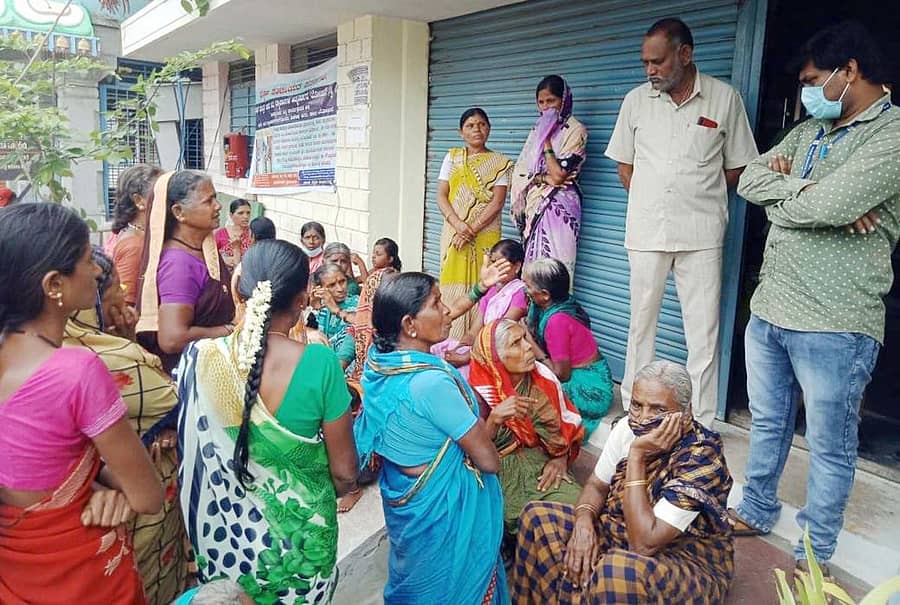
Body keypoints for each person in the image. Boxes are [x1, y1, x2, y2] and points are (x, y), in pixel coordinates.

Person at [731, 21, 900, 571]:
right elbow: (749, 181)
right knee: (769, 422)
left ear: (849, 71)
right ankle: (756, 509)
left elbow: (831, 207)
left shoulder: (891, 135)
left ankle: (814, 545)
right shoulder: (811, 132)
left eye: (812, 80)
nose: (805, 92)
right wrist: (807, 192)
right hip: (771, 306)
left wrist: (809, 200)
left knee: (829, 443)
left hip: (837, 319)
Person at [176, 239, 358, 604]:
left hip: (223, 545)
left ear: (239, 288)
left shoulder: (200, 355)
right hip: (302, 549)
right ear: (303, 299)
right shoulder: (320, 364)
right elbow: (345, 473)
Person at [0, 203, 163, 604]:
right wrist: (110, 483)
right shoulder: (76, 370)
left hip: (17, 575)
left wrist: (94, 481)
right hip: (80, 575)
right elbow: (148, 497)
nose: (96, 271)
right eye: (88, 260)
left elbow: (34, 461)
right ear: (53, 284)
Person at [605, 18, 759, 428]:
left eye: (657, 61)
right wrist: (652, 200)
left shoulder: (725, 99)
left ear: (685, 54)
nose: (650, 71)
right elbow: (625, 166)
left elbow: (738, 166)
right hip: (647, 231)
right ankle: (635, 412)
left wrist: (698, 196)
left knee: (703, 333)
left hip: (702, 233)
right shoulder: (636, 101)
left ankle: (702, 422)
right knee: (641, 325)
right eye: (645, 63)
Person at [511, 361, 734, 604]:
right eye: (637, 405)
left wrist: (637, 455)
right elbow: (596, 486)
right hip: (619, 532)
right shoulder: (628, 427)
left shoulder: (701, 457)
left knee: (617, 571)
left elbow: (644, 545)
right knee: (537, 518)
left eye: (658, 410)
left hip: (682, 557)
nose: (643, 417)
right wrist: (583, 524)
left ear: (686, 412)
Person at [354, 272, 508, 604]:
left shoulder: (380, 363)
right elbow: (487, 460)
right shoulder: (430, 384)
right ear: (409, 324)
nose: (447, 310)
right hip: (445, 517)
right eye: (436, 303)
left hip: (409, 506)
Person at [64, 247, 189, 604]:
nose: (126, 294)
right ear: (94, 299)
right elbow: (170, 398)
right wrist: (130, 345)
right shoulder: (104, 359)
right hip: (133, 506)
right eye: (118, 285)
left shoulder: (56, 346)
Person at [469, 319, 584, 536]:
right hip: (496, 468)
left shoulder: (543, 379)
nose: (529, 346)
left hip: (537, 463)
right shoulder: (478, 394)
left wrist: (560, 459)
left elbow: (567, 427)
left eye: (525, 338)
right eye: (516, 343)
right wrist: (494, 419)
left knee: (578, 509)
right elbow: (472, 453)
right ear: (496, 358)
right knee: (515, 522)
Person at [135, 170, 236, 374]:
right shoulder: (178, 265)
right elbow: (172, 339)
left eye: (215, 198)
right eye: (208, 201)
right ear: (179, 212)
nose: (218, 206)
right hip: (187, 377)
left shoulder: (203, 250)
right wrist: (229, 331)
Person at [437, 107, 513, 340]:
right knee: (453, 281)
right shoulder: (452, 158)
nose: (476, 129)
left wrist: (470, 229)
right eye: (470, 125)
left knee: (485, 280)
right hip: (454, 232)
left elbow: (497, 202)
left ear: (489, 128)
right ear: (461, 132)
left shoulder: (499, 163)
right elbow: (441, 195)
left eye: (481, 124)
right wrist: (458, 225)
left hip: (485, 234)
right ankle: (451, 338)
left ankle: (477, 340)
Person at [522, 258, 613, 439]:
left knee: (531, 399)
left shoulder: (557, 321)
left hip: (590, 388)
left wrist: (530, 341)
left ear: (545, 294)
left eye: (528, 285)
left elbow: (562, 375)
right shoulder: (557, 304)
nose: (525, 289)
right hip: (581, 372)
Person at [511, 75, 588, 284]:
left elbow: (559, 175)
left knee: (558, 268)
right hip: (534, 206)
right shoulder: (536, 130)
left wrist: (545, 143)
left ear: (563, 100)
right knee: (533, 270)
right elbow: (522, 172)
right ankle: (533, 315)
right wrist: (542, 178)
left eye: (551, 101)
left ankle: (556, 316)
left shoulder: (576, 130)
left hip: (561, 210)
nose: (546, 108)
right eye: (541, 102)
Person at [433, 239, 529, 372]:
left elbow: (500, 334)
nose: (493, 268)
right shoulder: (491, 290)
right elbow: (473, 332)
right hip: (480, 348)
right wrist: (459, 349)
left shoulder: (520, 293)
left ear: (517, 267)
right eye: (492, 262)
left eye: (499, 263)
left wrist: (467, 357)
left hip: (502, 352)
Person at [107, 164, 163, 306]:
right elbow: (125, 305)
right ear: (139, 201)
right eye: (162, 194)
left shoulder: (137, 234)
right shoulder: (135, 246)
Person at [351, 237, 402, 381]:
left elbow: (369, 284)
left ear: (390, 258)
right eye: (373, 253)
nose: (374, 257)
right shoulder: (377, 271)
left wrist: (360, 263)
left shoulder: (387, 274)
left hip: (376, 321)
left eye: (378, 254)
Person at [312, 262, 359, 371]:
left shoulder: (358, 302)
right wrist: (315, 308)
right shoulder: (323, 308)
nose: (340, 289)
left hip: (347, 368)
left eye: (342, 281)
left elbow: (362, 324)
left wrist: (337, 311)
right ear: (320, 289)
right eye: (332, 285)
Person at [214, 199, 253, 268]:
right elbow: (211, 256)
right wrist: (223, 260)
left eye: (248, 213)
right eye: (241, 213)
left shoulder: (252, 234)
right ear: (231, 215)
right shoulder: (221, 234)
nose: (246, 216)